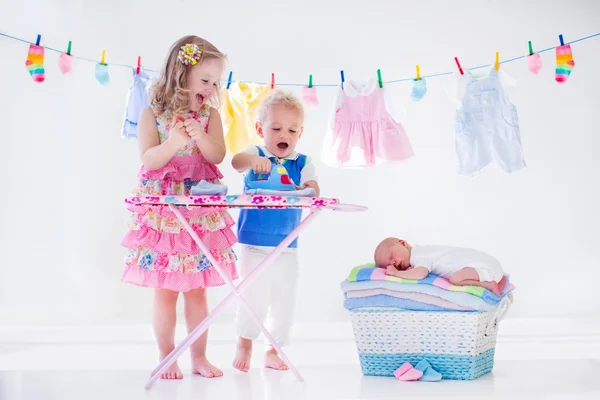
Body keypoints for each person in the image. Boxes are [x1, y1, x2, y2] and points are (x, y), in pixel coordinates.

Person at [121, 35, 237, 379]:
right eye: (205, 80)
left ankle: (198, 357)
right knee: (167, 291)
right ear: (180, 74)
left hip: (199, 210)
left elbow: (218, 155)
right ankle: (167, 354)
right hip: (165, 213)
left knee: (198, 291)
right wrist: (174, 141)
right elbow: (149, 160)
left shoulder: (209, 114)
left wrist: (200, 136)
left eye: (216, 81)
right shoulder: (151, 114)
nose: (211, 87)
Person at [231, 89, 319, 372]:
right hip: (254, 242)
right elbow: (235, 162)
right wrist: (251, 161)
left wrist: (305, 191)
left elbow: (314, 188)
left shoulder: (301, 163)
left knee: (285, 299)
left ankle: (273, 348)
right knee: (252, 296)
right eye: (277, 128)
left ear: (300, 133)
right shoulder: (255, 153)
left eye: (292, 130)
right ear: (260, 129)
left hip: (287, 244)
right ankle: (244, 342)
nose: (285, 134)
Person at [374, 238, 507, 296]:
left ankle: (489, 285)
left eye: (391, 256)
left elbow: (420, 274)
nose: (393, 264)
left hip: (484, 267)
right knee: (457, 276)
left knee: (456, 279)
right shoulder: (422, 254)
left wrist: (397, 274)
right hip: (487, 264)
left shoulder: (418, 255)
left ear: (402, 243)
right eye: (388, 265)